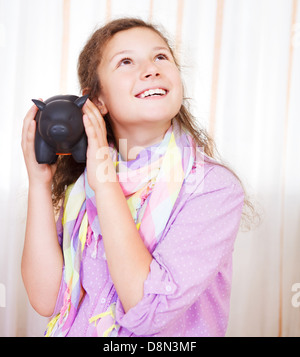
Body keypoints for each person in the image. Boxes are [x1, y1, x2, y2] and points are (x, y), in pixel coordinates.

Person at [21, 18, 247, 337]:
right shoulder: (84, 186)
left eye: (161, 57)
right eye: (126, 61)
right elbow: (46, 300)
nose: (151, 69)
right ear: (95, 101)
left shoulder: (212, 189)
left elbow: (146, 309)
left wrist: (105, 184)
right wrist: (39, 185)